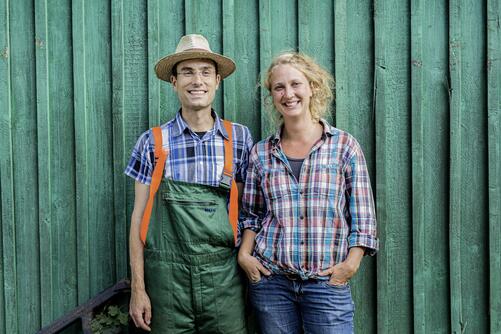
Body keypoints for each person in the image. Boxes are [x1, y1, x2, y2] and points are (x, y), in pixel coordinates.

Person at [238, 52, 379, 334]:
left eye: (295, 84)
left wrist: (349, 266)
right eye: (279, 87)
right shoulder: (261, 153)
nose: (288, 94)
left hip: (327, 284)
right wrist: (245, 255)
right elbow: (251, 215)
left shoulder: (344, 147)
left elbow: (363, 217)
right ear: (272, 96)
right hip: (272, 283)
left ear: (312, 86)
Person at [125, 34, 252, 333]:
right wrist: (138, 289)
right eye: (187, 72)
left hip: (224, 279)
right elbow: (138, 221)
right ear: (174, 82)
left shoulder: (240, 139)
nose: (197, 80)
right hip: (167, 284)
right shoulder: (152, 142)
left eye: (206, 72)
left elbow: (248, 214)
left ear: (218, 80)